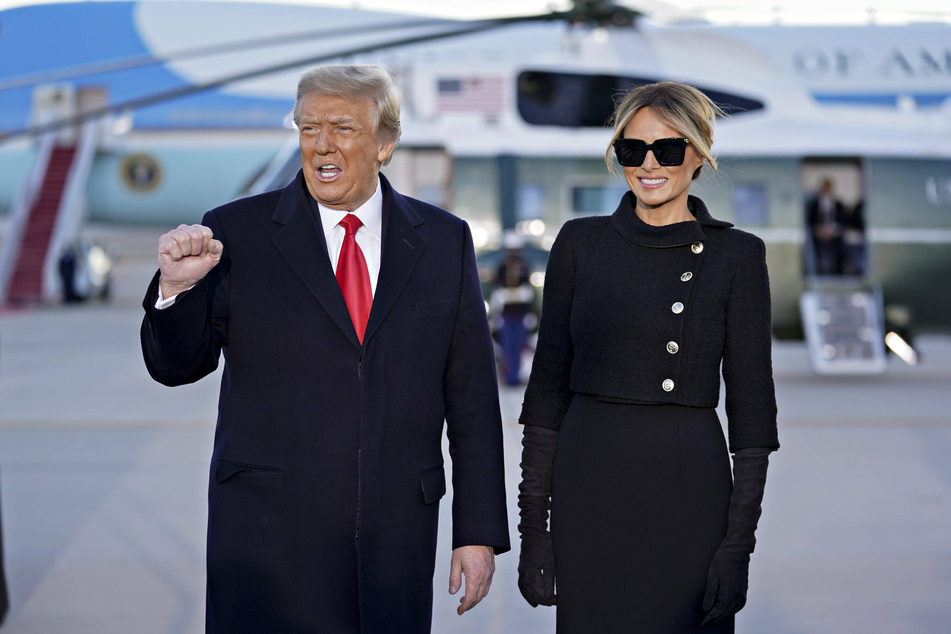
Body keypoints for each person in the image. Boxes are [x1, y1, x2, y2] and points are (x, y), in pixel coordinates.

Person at [140, 65, 509, 633]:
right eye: (308, 127)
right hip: (266, 540)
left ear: (385, 143)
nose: (321, 144)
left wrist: (478, 530)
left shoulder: (443, 240)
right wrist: (177, 290)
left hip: (395, 543)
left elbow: (473, 399)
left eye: (341, 126)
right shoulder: (236, 232)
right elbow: (175, 366)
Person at [516, 81, 779, 633]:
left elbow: (753, 415)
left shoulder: (736, 255)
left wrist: (738, 549)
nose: (649, 164)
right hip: (588, 484)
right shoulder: (580, 243)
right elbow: (545, 397)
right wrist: (534, 530)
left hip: (687, 488)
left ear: (699, 154)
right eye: (633, 150)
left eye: (669, 148)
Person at [491, 232, 535, 385]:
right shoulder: (502, 267)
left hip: (521, 314)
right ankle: (509, 377)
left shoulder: (525, 266)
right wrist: (496, 312)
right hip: (506, 314)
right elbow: (496, 290)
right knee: (507, 348)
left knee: (520, 346)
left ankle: (517, 375)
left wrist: (530, 312)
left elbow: (529, 290)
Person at [806, 178, 846, 275]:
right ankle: (820, 273)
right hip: (819, 235)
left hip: (834, 235)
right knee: (819, 257)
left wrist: (833, 230)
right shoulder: (814, 204)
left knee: (835, 256)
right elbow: (810, 219)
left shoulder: (838, 204)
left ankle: (836, 275)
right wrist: (819, 230)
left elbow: (843, 220)